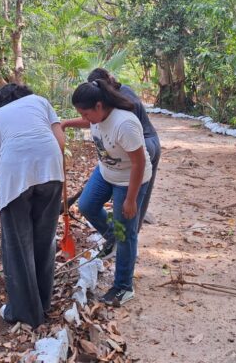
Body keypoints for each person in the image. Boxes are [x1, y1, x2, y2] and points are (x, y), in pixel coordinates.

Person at [0, 83, 65, 328]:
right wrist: (51, 168)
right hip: (51, 170)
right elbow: (59, 139)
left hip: (15, 177)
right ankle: (43, 302)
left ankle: (24, 313)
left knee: (18, 247)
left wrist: (0, 188)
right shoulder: (40, 101)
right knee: (45, 239)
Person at [71, 79, 151, 307]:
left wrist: (130, 199)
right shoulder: (97, 117)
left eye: (85, 113)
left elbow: (139, 163)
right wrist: (66, 123)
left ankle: (123, 286)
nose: (84, 118)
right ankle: (112, 238)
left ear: (99, 105)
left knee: (125, 231)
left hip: (129, 179)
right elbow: (90, 124)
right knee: (86, 205)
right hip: (106, 172)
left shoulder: (124, 124)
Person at [62, 68, 161, 228]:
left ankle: (130, 229)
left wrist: (129, 200)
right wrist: (67, 123)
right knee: (99, 201)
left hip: (146, 143)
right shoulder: (104, 108)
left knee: (128, 210)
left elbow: (136, 159)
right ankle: (119, 233)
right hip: (128, 151)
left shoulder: (123, 113)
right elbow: (96, 121)